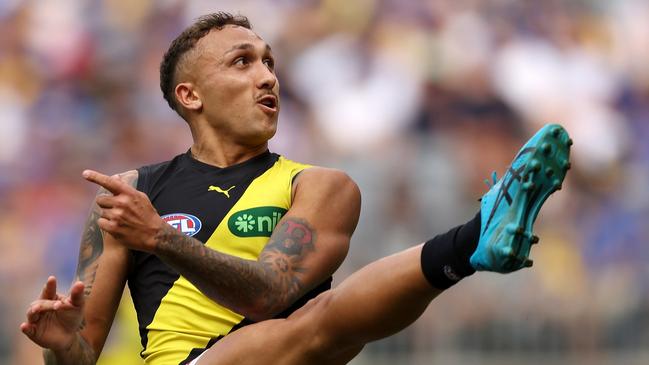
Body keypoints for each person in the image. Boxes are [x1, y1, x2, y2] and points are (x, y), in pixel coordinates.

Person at [20, 12, 572, 365]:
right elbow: (81, 360)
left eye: (270, 63)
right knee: (322, 323)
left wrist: (163, 239)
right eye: (243, 62)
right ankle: (473, 241)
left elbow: (270, 296)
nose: (268, 77)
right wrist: (65, 345)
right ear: (191, 95)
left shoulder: (322, 187)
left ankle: (477, 241)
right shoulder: (128, 195)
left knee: (322, 323)